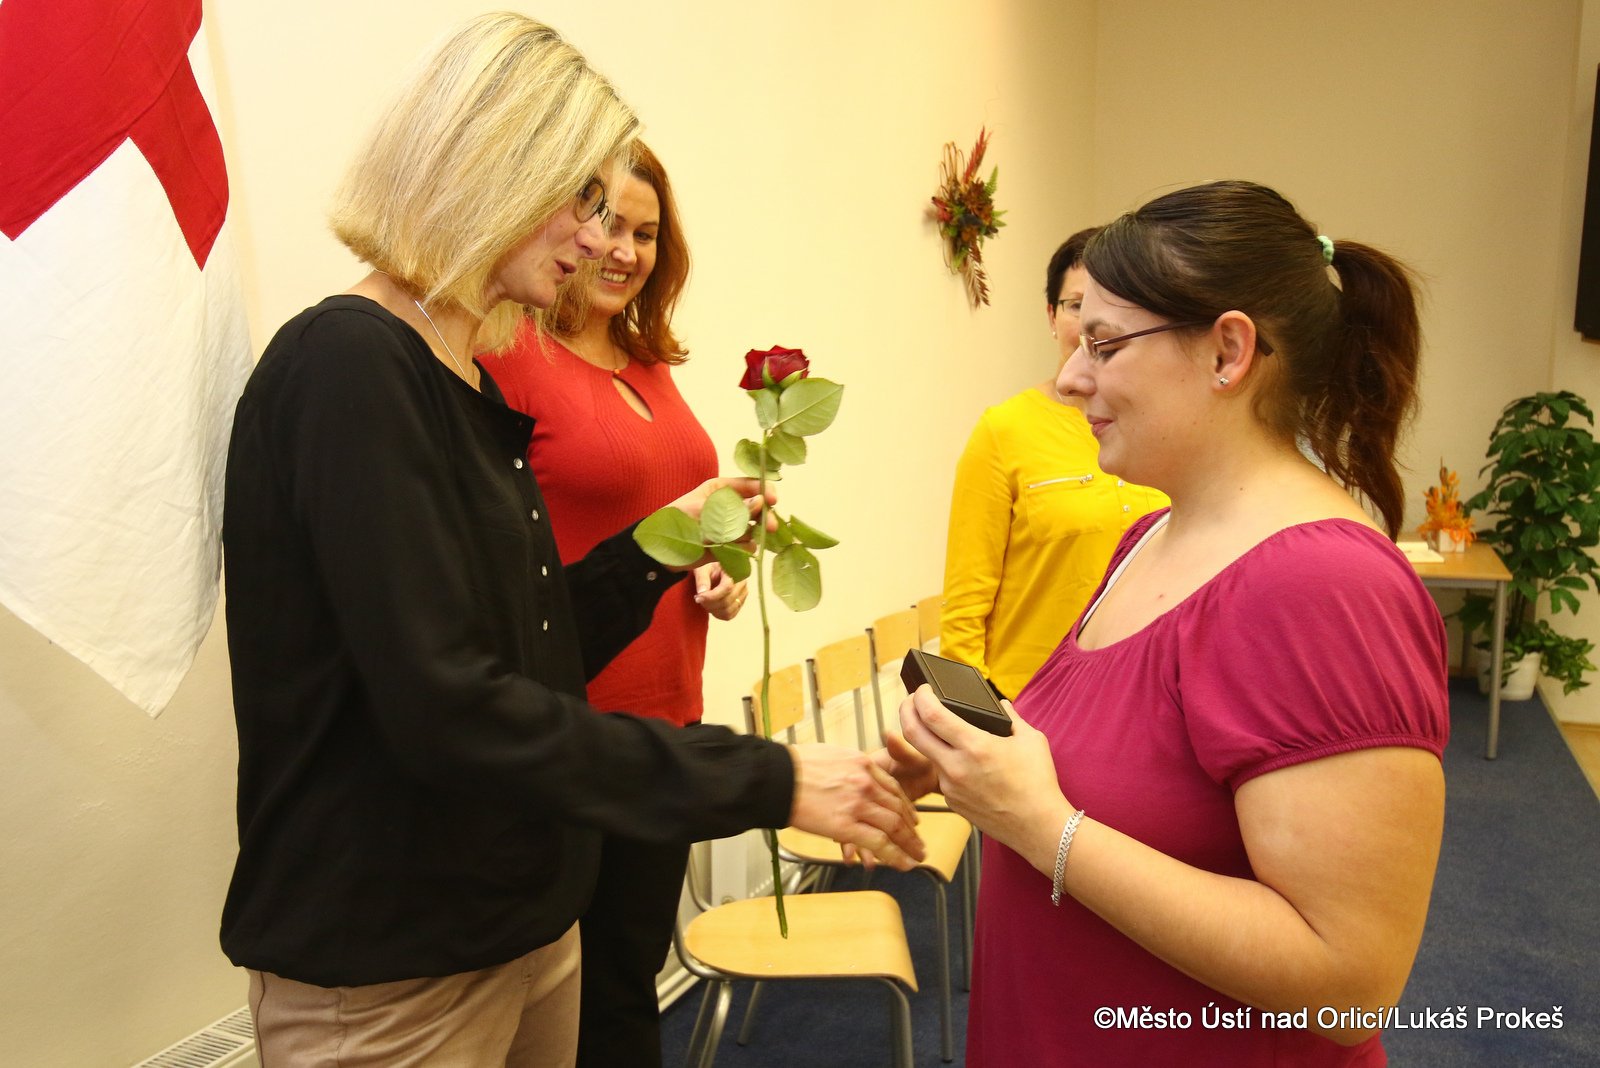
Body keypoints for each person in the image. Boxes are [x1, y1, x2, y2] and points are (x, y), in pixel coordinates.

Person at [219, 15, 922, 1067]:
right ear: (482, 167)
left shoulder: (461, 376)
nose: (600, 243)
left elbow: (533, 655)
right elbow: (449, 706)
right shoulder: (349, 365)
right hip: (397, 963)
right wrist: (769, 778)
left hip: (526, 928)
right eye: (579, 200)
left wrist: (664, 542)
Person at [886, 181, 1449, 1066]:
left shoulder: (1323, 586)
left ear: (1228, 351)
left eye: (1105, 345)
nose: (1070, 379)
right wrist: (976, 762)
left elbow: (1348, 987)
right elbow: (1137, 768)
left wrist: (1039, 824)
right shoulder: (1150, 535)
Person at [484, 142, 735, 1067]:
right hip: (572, 729)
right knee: (571, 1009)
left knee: (628, 984)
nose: (624, 250)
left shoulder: (648, 362)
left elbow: (661, 520)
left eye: (646, 233)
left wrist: (720, 565)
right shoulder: (505, 354)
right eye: (607, 224)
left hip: (667, 718)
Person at [938, 227, 1168, 700]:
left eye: (1114, 307)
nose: (1090, 323)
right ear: (1051, 315)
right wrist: (975, 715)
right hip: (1027, 705)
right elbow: (964, 610)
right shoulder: (1005, 430)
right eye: (1076, 305)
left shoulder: (1164, 429)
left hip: (1139, 697)